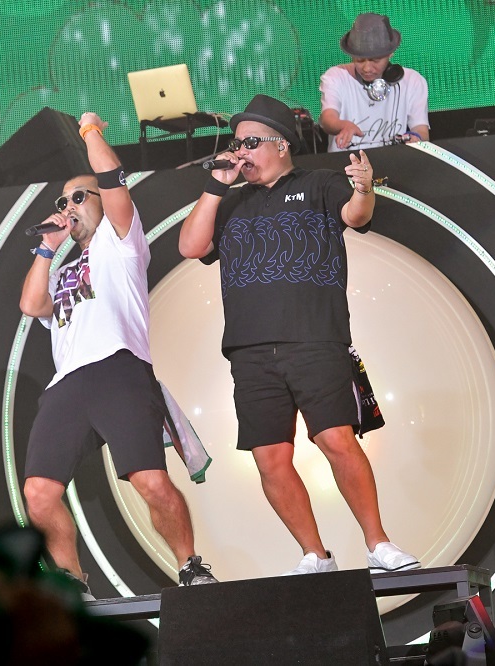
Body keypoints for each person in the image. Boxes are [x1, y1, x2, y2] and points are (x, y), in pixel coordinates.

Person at [178, 93, 420, 577]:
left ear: (281, 144)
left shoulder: (317, 184)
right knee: (269, 457)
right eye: (236, 144)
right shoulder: (231, 203)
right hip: (249, 350)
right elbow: (191, 246)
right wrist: (215, 184)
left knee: (336, 439)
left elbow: (355, 215)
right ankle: (315, 554)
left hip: (314, 337)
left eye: (250, 142)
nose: (240, 152)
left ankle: (378, 545)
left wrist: (364, 188)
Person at [19, 111, 216, 596]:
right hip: (67, 382)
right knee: (38, 493)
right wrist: (47, 248)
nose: (69, 207)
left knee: (149, 481)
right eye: (62, 201)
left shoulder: (120, 239)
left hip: (118, 370)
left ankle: (191, 566)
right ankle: (73, 583)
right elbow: (31, 305)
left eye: (78, 197)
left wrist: (90, 131)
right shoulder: (64, 267)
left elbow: (109, 178)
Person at [319, 13, 429, 153]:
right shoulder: (335, 76)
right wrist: (343, 125)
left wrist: (416, 138)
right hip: (347, 163)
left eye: (375, 60)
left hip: (394, 161)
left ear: (391, 53)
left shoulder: (413, 81)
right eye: (359, 60)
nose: (367, 68)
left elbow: (421, 129)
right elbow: (328, 118)